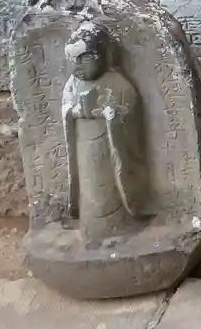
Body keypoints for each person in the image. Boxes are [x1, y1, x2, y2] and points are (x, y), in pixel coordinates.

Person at [62, 22, 145, 243]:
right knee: (89, 185)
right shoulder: (72, 85)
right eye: (73, 59)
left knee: (108, 186)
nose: (79, 66)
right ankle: (90, 227)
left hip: (110, 146)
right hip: (83, 145)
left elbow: (131, 112)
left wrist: (113, 116)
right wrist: (74, 112)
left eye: (86, 58)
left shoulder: (118, 84)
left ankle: (118, 225)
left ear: (104, 56)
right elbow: (66, 108)